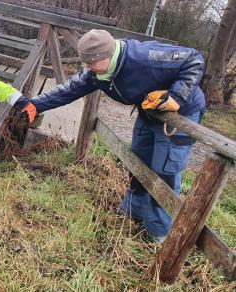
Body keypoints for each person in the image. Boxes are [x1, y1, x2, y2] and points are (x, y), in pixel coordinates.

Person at [13, 29, 206, 243]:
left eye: (91, 63)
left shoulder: (145, 57)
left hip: (179, 114)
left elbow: (193, 59)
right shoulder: (98, 73)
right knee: (138, 161)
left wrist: (177, 96)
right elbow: (68, 90)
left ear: (106, 56)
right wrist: (34, 105)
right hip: (149, 112)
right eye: (85, 63)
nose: (87, 69)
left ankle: (160, 231)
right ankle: (135, 211)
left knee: (164, 170)